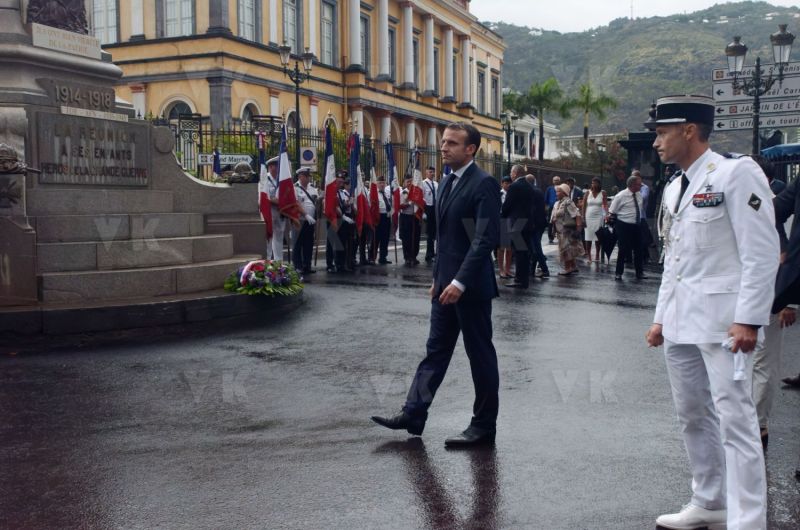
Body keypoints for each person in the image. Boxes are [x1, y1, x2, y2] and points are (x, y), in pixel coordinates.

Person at [645, 94, 779, 530]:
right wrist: (661, 316)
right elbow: (675, 257)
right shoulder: (673, 186)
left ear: (689, 131)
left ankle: (748, 520)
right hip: (682, 320)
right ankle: (709, 500)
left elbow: (760, 253)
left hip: (724, 322)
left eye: (663, 133)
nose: (656, 143)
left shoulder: (736, 174)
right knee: (692, 414)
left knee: (735, 419)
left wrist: (749, 319)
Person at [371, 121, 501, 447]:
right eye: (443, 142)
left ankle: (483, 426)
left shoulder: (483, 184)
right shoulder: (444, 183)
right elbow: (444, 240)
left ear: (471, 149)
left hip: (469, 289)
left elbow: (484, 239)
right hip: (443, 286)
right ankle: (414, 413)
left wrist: (460, 281)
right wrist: (437, 279)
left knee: (480, 355)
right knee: (435, 352)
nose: (444, 147)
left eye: (452, 143)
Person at [750, 156, 797, 451]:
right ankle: (751, 421)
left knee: (762, 362)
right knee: (751, 360)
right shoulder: (759, 200)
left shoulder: (766, 201)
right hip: (752, 294)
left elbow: (786, 251)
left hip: (775, 294)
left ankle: (758, 423)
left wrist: (790, 302)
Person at [608, 174, 646, 281]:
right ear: (632, 185)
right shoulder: (620, 196)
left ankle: (640, 272)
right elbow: (612, 211)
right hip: (624, 225)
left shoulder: (638, 195)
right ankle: (618, 273)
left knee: (639, 249)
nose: (641, 186)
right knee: (623, 249)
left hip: (636, 225)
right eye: (639, 184)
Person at [502, 165, 534, 288]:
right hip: (527, 223)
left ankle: (519, 280)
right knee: (524, 253)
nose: (510, 174)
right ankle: (523, 279)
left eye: (511, 172)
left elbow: (507, 205)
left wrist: (503, 215)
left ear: (515, 173)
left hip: (516, 224)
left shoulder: (514, 186)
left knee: (519, 253)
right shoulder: (529, 186)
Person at [550, 183, 583, 276]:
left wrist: (578, 229)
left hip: (567, 230)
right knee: (567, 249)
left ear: (564, 192)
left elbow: (577, 215)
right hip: (559, 230)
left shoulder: (568, 202)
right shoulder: (557, 203)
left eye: (558, 191)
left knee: (566, 250)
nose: (556, 193)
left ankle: (568, 268)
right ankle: (573, 266)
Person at [293, 167, 318, 274]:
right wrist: (306, 214)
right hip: (300, 220)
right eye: (306, 176)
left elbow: (315, 202)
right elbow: (295, 203)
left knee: (308, 244)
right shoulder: (295, 188)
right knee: (298, 243)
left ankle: (307, 265)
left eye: (309, 176)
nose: (308, 178)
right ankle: (298, 266)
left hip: (310, 221)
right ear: (300, 176)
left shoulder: (312, 188)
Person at [260, 156, 286, 260]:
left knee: (279, 237)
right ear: (270, 167)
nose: (277, 168)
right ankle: (268, 260)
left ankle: (278, 262)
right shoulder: (265, 179)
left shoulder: (282, 179)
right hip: (269, 212)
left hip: (280, 212)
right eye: (275, 166)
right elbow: (263, 196)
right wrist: (276, 201)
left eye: (278, 166)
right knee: (269, 237)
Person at [526, 174, 550, 278]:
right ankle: (531, 270)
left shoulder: (530, 192)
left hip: (534, 224)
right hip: (540, 223)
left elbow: (532, 210)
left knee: (535, 248)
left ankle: (544, 269)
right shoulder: (538, 191)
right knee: (534, 247)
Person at [581, 177, 607, 263]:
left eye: (595, 183)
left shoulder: (603, 193)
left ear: (599, 184)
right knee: (588, 237)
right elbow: (584, 206)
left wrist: (606, 214)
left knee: (598, 237)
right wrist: (583, 217)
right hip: (588, 217)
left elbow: (605, 205)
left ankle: (597, 254)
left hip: (598, 217)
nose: (594, 184)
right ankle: (589, 256)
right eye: (592, 183)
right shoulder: (588, 193)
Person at [399, 180, 421, 266]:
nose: (409, 183)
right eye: (407, 182)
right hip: (406, 217)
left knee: (416, 237)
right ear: (404, 183)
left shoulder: (416, 192)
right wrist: (409, 203)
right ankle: (407, 257)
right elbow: (400, 206)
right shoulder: (404, 192)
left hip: (415, 217)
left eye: (411, 182)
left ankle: (414, 256)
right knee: (407, 238)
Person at [422, 166, 439, 263]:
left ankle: (436, 253)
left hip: (435, 208)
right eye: (430, 172)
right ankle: (429, 254)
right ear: (426, 173)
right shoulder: (423, 184)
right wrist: (424, 212)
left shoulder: (436, 184)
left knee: (436, 233)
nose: (432, 174)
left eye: (433, 172)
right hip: (428, 208)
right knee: (430, 233)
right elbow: (422, 198)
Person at [497, 175, 513, 279]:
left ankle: (507, 269)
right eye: (506, 183)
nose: (507, 185)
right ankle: (501, 270)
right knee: (501, 247)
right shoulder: (499, 194)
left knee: (510, 248)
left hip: (511, 221)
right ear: (502, 183)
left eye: (509, 183)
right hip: (501, 221)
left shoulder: (513, 194)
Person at [375, 176, 393, 264]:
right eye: (380, 183)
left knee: (385, 239)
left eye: (383, 183)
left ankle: (383, 257)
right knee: (376, 238)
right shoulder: (374, 193)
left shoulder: (386, 193)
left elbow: (389, 204)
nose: (382, 185)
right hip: (378, 217)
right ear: (377, 184)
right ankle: (372, 257)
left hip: (387, 217)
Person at [545, 176, 561, 244]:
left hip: (560, 207)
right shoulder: (549, 189)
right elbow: (546, 198)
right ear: (552, 181)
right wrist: (546, 207)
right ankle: (550, 238)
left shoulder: (561, 188)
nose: (556, 181)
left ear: (559, 181)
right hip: (551, 207)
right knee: (550, 222)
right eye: (554, 180)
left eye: (557, 180)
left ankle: (560, 237)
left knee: (560, 222)